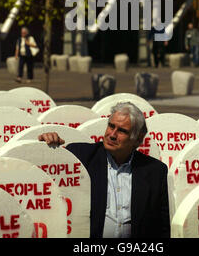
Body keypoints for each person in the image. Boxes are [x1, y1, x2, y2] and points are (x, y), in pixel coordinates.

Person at [38, 102, 170, 239]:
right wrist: (47, 142)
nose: (112, 135)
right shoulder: (81, 156)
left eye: (122, 131)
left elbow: (163, 226)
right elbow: (44, 168)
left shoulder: (155, 171)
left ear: (137, 140)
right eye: (111, 126)